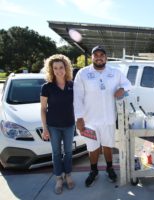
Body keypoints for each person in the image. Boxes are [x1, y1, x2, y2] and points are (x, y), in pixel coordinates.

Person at [73, 45, 131, 187]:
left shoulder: (115, 73)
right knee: (92, 147)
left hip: (109, 119)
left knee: (108, 145)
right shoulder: (83, 73)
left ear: (106, 57)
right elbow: (77, 97)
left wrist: (122, 89)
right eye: (96, 55)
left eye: (102, 55)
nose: (99, 57)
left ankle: (109, 169)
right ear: (92, 57)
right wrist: (78, 118)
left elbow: (129, 84)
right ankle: (94, 171)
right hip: (89, 120)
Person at [40, 54, 75, 194]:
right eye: (55, 68)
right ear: (51, 70)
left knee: (68, 153)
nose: (59, 70)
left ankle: (68, 176)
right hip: (53, 126)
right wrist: (44, 128)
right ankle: (59, 179)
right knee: (56, 153)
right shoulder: (46, 87)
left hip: (69, 125)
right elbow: (43, 109)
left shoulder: (72, 85)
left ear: (66, 68)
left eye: (61, 67)